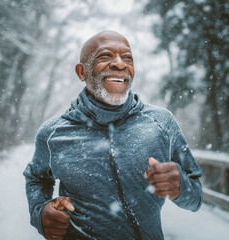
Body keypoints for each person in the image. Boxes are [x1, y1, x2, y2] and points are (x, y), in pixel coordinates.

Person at [23, 30, 203, 240]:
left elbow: (196, 198)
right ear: (82, 72)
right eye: (105, 56)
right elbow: (36, 178)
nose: (120, 64)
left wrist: (181, 187)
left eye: (128, 58)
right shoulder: (53, 133)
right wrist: (40, 211)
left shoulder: (161, 123)